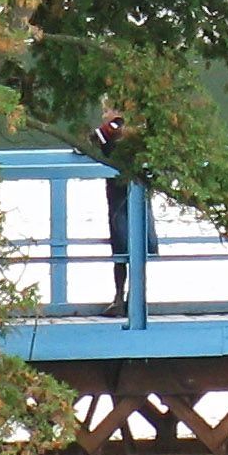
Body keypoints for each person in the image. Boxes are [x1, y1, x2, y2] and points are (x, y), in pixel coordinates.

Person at [85, 107, 144, 316]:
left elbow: (94, 138)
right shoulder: (113, 131)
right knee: (127, 246)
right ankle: (127, 298)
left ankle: (126, 298)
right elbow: (90, 141)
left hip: (124, 192)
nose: (104, 115)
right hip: (127, 191)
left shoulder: (118, 127)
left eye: (107, 110)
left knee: (127, 245)